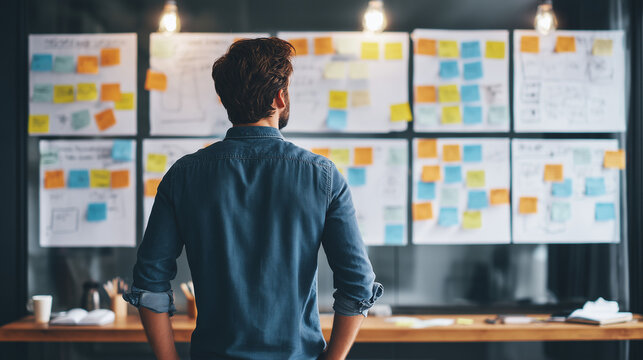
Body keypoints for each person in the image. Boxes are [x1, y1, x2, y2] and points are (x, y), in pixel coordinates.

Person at [124, 37, 382, 360]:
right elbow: (358, 287)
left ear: (225, 100)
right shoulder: (323, 177)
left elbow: (149, 285)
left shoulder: (183, 176)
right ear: (280, 97)